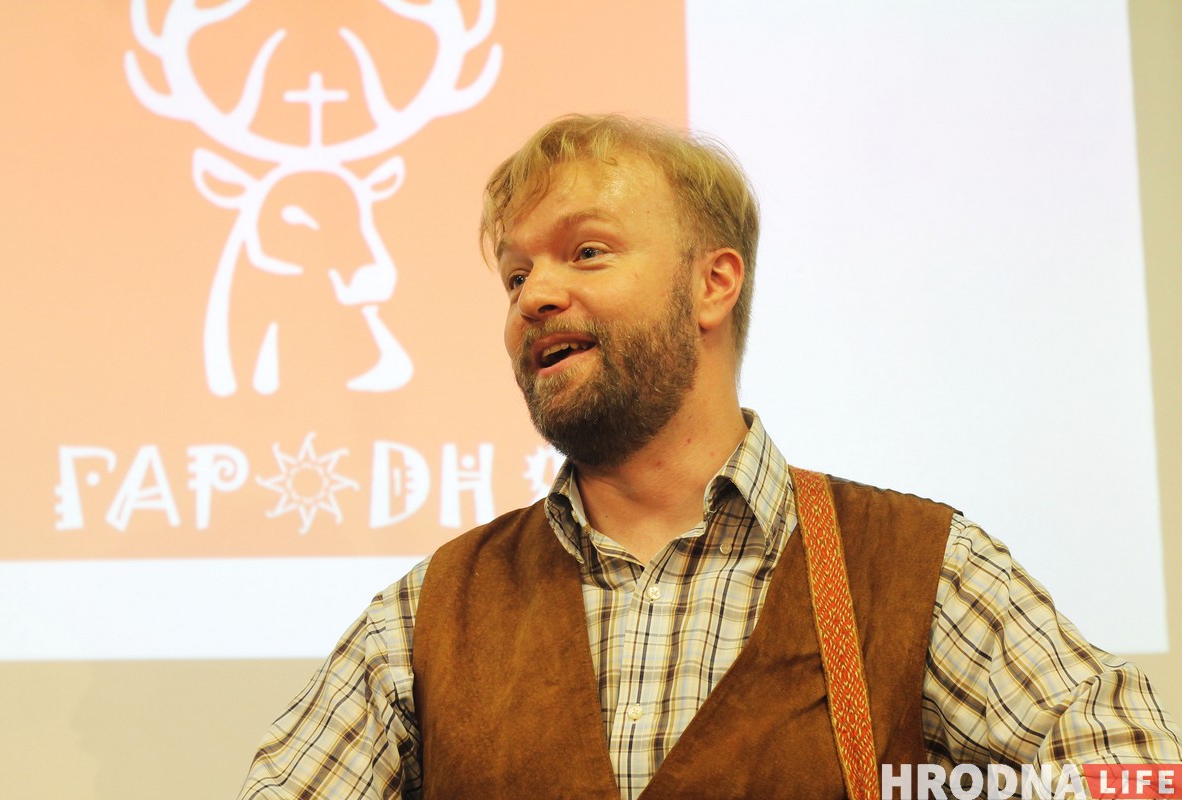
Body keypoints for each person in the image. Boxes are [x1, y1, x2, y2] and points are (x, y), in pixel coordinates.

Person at [237, 114, 1181, 799]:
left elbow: (1135, 767)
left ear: (713, 283)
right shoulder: (429, 615)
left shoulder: (915, 567)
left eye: (586, 253)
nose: (533, 297)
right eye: (517, 274)